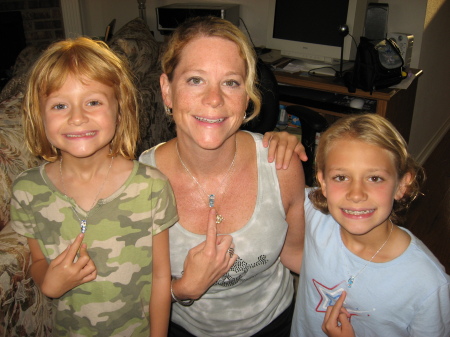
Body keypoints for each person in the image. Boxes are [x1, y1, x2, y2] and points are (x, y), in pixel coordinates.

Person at [139, 16, 305, 337]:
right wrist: (182, 289)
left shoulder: (281, 164)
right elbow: (131, 290)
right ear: (167, 90)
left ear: (247, 97)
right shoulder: (140, 183)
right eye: (195, 80)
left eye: (231, 82)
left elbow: (295, 254)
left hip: (275, 324)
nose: (214, 99)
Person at [9, 37, 178, 337]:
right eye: (60, 105)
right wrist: (47, 280)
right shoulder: (26, 191)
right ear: (39, 115)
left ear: (120, 108)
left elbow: (161, 276)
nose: (77, 117)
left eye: (93, 102)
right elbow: (37, 260)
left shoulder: (151, 186)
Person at [291, 114, 450, 337]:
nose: (356, 195)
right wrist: (277, 142)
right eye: (341, 177)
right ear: (323, 183)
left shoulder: (427, 284)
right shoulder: (315, 217)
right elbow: (271, 184)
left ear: (402, 185)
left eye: (374, 178)